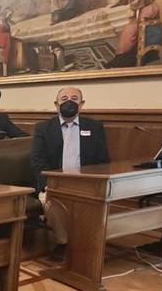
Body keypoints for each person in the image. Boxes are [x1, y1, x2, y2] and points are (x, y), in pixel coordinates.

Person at [31, 87, 110, 261]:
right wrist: (47, 184)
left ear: (81, 104)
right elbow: (38, 161)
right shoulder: (43, 128)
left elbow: (103, 161)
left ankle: (88, 242)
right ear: (56, 104)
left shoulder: (95, 127)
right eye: (64, 98)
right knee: (53, 204)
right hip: (54, 184)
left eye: (74, 98)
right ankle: (65, 243)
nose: (69, 102)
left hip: (86, 184)